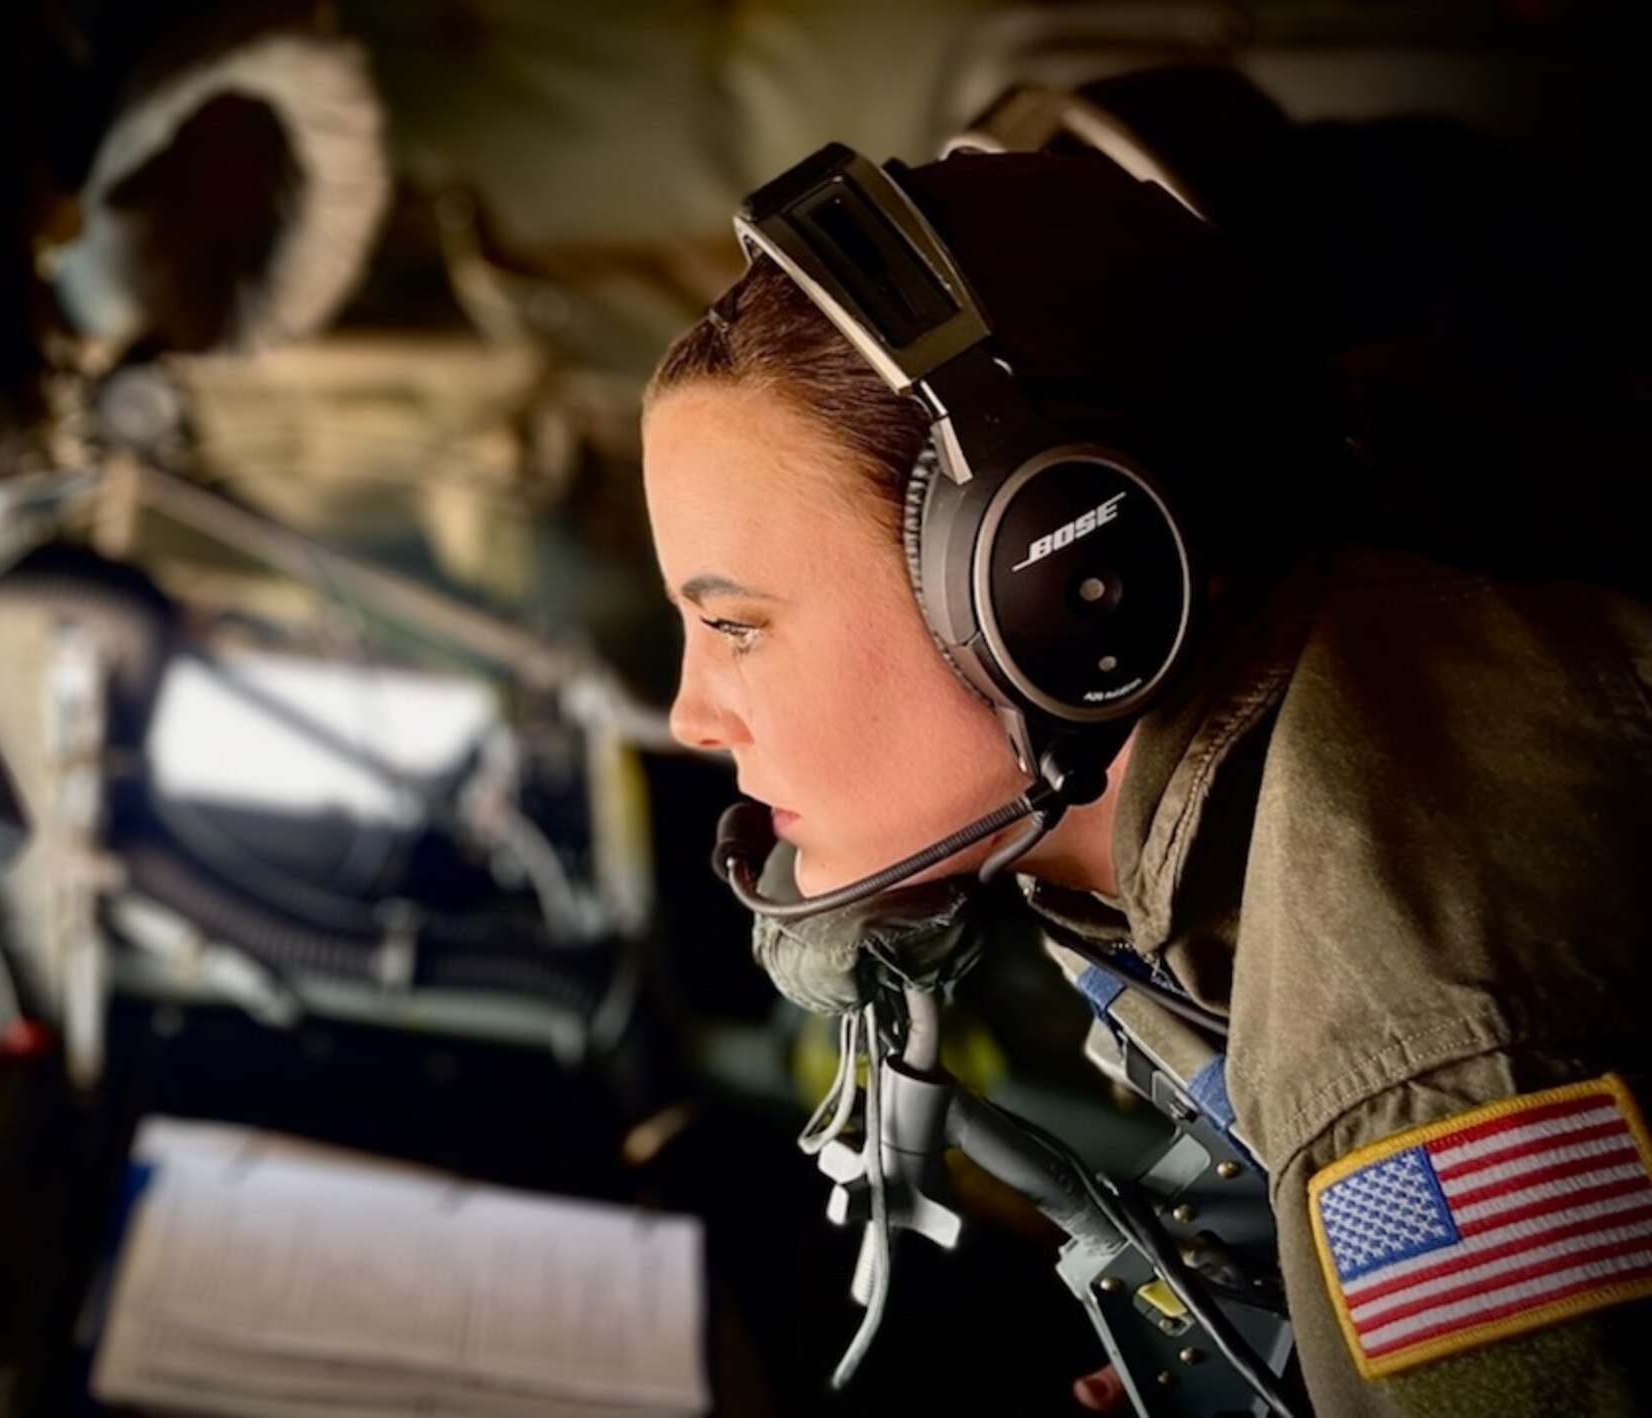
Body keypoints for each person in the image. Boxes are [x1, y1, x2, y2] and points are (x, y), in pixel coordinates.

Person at [637, 143, 1652, 1416]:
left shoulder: (1416, 1049)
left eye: (734, 625)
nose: (688, 716)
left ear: (1050, 586)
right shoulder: (1276, 753)